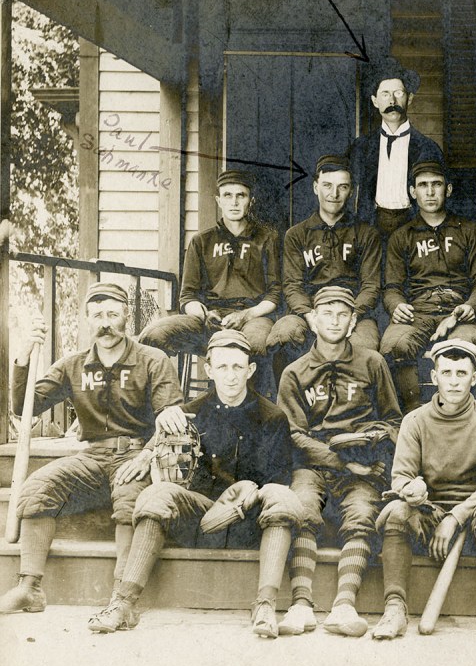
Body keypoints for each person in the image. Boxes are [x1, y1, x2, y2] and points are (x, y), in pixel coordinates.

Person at [84, 330, 301, 638]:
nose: (230, 376)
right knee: (156, 494)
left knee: (281, 496)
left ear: (250, 370)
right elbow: (164, 454)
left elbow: (278, 480)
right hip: (199, 519)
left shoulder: (272, 416)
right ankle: (123, 603)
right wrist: (151, 449)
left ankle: (265, 604)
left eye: (238, 367)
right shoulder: (187, 414)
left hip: (249, 521)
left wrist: (246, 497)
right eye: (222, 367)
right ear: (208, 370)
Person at [0, 283, 186, 617]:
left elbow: (172, 421)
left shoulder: (152, 360)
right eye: (97, 315)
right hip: (91, 458)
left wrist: (148, 455)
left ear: (127, 317)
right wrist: (24, 355)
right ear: (87, 320)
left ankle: (120, 596)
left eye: (113, 314)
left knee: (131, 501)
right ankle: (29, 588)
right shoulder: (73, 365)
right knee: (37, 489)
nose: (105, 323)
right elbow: (23, 405)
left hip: (136, 457)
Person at [274, 286, 403, 638]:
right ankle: (301, 604)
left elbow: (393, 420)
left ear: (352, 321)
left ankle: (344, 605)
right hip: (314, 463)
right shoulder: (295, 372)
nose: (334, 320)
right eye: (326, 313)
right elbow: (294, 434)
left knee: (362, 515)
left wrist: (369, 445)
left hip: (361, 465)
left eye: (342, 314)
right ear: (313, 320)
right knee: (301, 510)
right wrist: (338, 460)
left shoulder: (372, 363)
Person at [373, 339, 476, 641]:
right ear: (434, 376)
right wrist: (411, 488)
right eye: (447, 373)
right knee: (396, 511)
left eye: (462, 374)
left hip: (474, 517)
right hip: (430, 513)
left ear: (474, 378)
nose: (453, 381)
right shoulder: (414, 421)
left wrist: (455, 517)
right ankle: (395, 608)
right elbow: (400, 475)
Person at [140, 169, 280, 394]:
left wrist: (246, 315)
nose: (234, 202)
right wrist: (204, 314)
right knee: (153, 335)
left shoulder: (266, 239)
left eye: (241, 196)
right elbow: (188, 296)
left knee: (254, 347)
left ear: (250, 201)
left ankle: (254, 417)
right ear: (218, 200)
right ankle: (162, 406)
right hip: (209, 319)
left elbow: (275, 294)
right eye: (227, 195)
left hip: (252, 317)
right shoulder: (201, 241)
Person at [380, 160, 476, 412]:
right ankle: (412, 414)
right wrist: (396, 305)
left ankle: (471, 418)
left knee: (466, 347)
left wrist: (472, 305)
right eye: (423, 185)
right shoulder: (402, 236)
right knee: (395, 345)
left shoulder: (469, 230)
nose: (430, 192)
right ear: (412, 192)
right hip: (419, 310)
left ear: (448, 190)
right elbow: (392, 286)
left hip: (459, 312)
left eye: (436, 185)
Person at [268, 154, 384, 360]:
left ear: (351, 191)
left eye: (343, 187)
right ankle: (292, 393)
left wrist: (349, 316)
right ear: (315, 187)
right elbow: (293, 286)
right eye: (327, 185)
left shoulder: (366, 233)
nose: (334, 194)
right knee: (283, 335)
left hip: (355, 312)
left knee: (363, 348)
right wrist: (310, 316)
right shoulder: (297, 234)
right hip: (309, 311)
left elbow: (371, 286)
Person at [350, 60, 445, 240]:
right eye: (385, 94)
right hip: (371, 227)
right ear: (375, 101)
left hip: (414, 228)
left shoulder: (427, 147)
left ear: (409, 98)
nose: (392, 101)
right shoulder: (361, 146)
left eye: (398, 93)